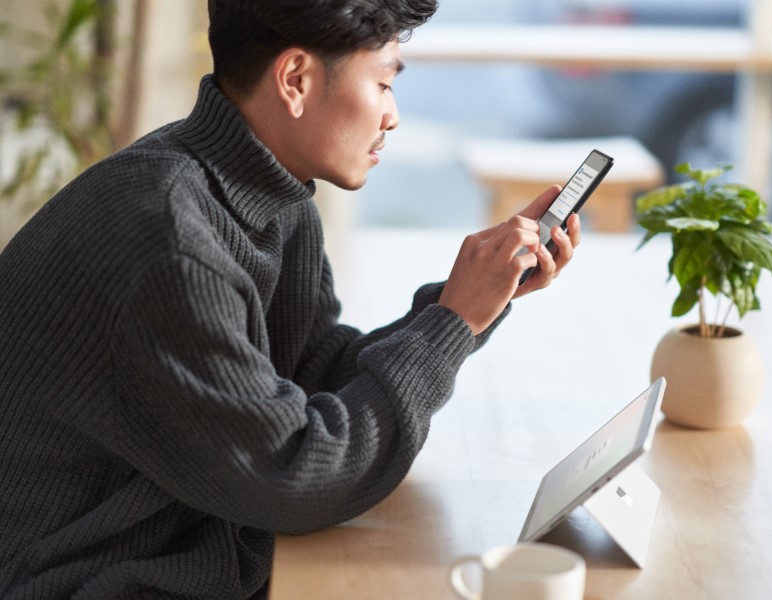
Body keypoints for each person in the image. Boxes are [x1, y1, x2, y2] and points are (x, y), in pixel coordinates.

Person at [0, 1, 582, 598]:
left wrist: (461, 309)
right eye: (383, 82)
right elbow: (294, 475)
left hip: (178, 539)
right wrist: (453, 323)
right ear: (296, 80)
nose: (393, 116)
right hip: (74, 577)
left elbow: (307, 377)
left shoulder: (268, 190)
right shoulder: (170, 242)